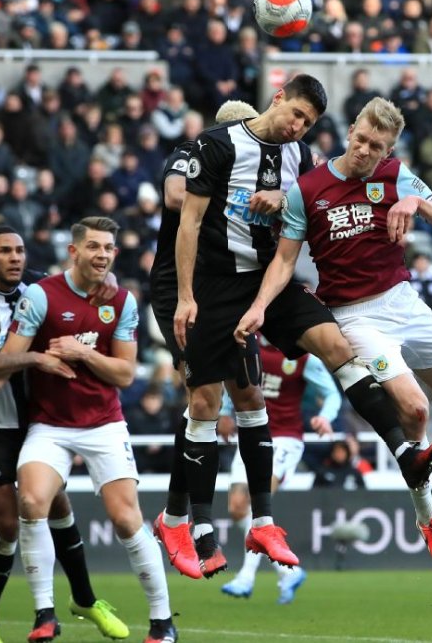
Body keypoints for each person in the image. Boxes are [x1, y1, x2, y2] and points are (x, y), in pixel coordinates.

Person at [164, 74, 432, 578]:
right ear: (277, 99)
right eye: (295, 114)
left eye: (308, 122)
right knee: (207, 402)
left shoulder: (301, 158)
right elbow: (186, 221)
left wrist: (411, 199)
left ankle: (405, 454)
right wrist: (186, 297)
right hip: (214, 287)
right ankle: (195, 526)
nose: (298, 126)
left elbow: (316, 205)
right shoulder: (217, 144)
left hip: (269, 280)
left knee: (335, 345)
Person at [234, 97, 432, 572]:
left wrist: (418, 201)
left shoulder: (396, 175)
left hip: (403, 300)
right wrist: (259, 306)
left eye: (377, 147)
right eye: (360, 139)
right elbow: (285, 260)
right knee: (414, 408)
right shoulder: (308, 189)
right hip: (354, 316)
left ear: (389, 148)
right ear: (351, 129)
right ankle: (429, 516)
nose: (364, 151)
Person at [0, 218, 175, 643]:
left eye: (109, 248)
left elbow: (125, 374)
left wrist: (82, 352)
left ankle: (162, 622)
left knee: (126, 519)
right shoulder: (41, 296)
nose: (102, 254)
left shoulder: (123, 301)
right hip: (50, 426)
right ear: (73, 252)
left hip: (104, 424)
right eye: (93, 246)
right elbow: (11, 354)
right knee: (31, 500)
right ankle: (45, 614)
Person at [147, 100, 261, 580]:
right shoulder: (191, 153)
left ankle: (174, 516)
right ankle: (197, 527)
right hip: (181, 288)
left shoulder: (262, 172)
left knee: (240, 397)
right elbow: (176, 197)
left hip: (227, 291)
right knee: (204, 398)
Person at [221, 338, 340, 603]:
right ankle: (289, 573)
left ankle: (246, 577)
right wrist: (225, 412)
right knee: (237, 507)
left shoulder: (301, 355)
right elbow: (229, 382)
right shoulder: (244, 345)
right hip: (250, 434)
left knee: (256, 503)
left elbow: (332, 393)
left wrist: (326, 417)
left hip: (285, 439)